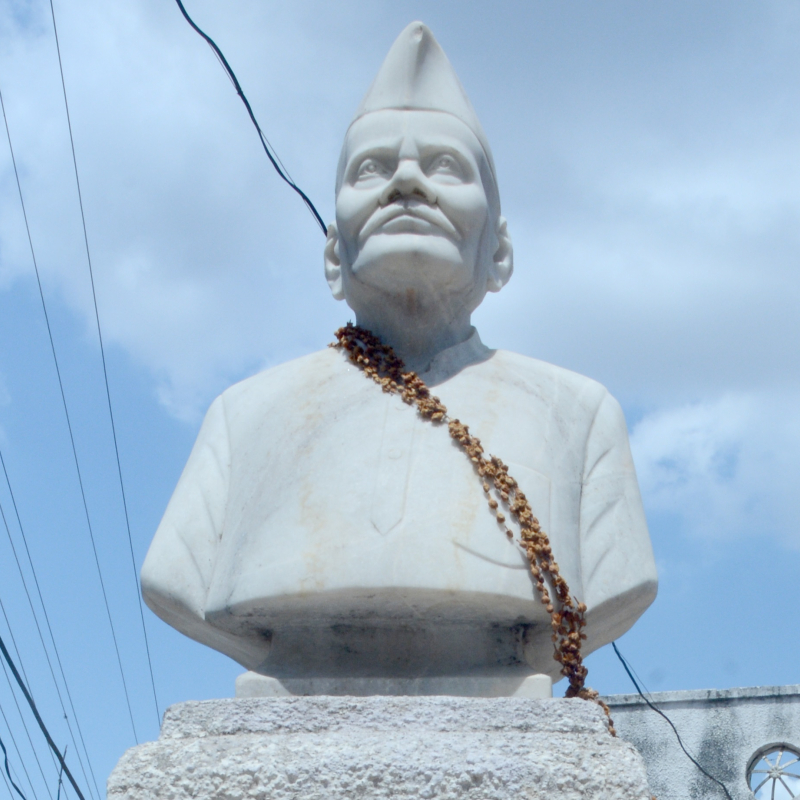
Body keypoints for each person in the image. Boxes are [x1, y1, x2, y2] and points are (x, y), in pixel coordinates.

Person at [141, 22, 657, 693]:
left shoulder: (579, 413)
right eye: (371, 169)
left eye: (445, 166)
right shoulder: (243, 416)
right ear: (333, 255)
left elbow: (623, 585)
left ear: (498, 253)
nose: (406, 182)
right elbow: (173, 583)